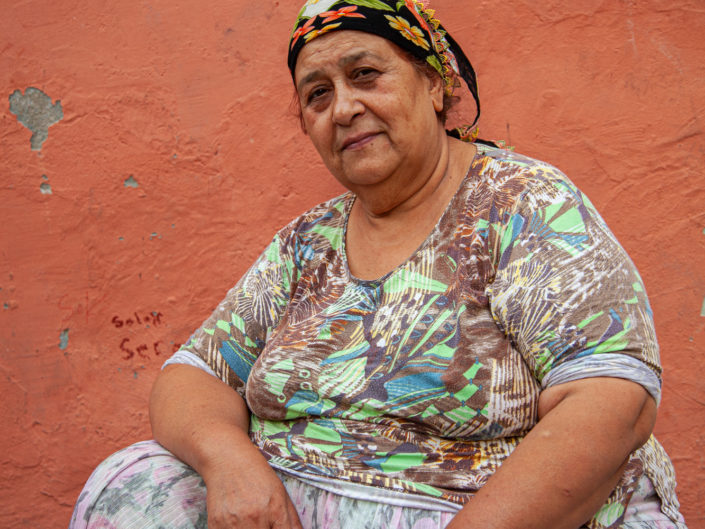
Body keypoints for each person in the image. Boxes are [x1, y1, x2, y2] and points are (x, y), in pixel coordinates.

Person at [69, 1, 688, 528]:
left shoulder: (521, 203)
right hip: (287, 501)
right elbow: (192, 375)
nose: (342, 108)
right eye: (317, 94)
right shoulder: (306, 243)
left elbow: (611, 398)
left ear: (435, 82)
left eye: (366, 74)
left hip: (468, 508)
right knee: (137, 482)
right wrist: (229, 462)